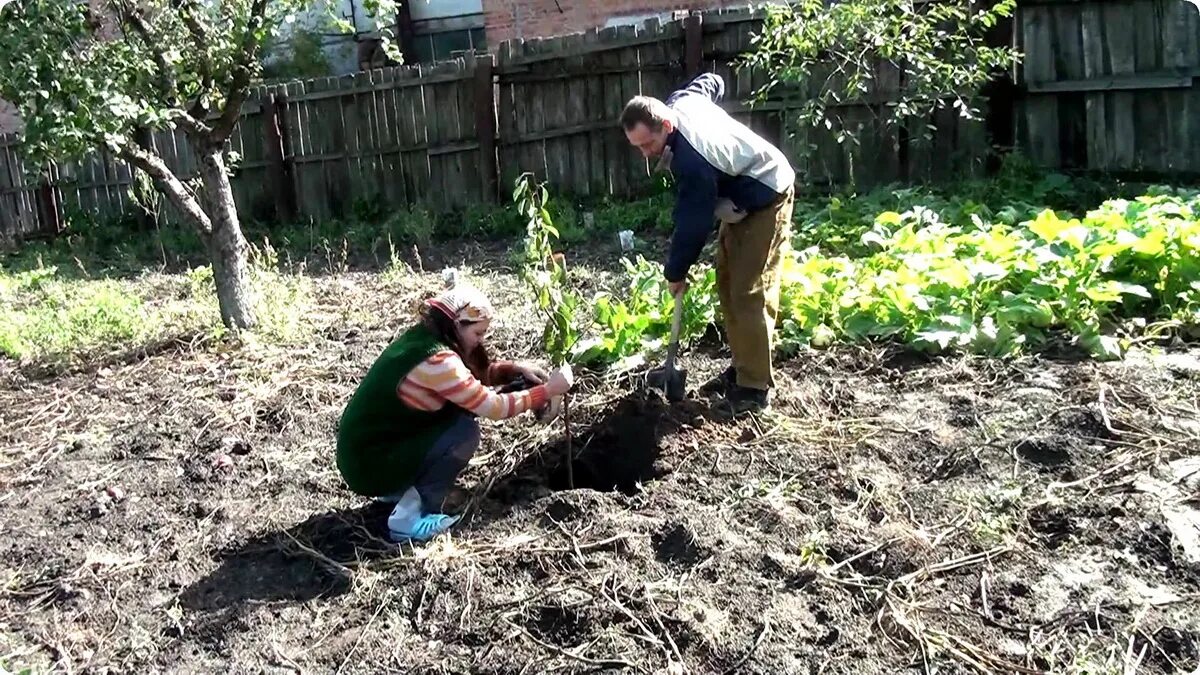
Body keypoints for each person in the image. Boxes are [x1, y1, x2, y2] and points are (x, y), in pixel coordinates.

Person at [336, 284, 573, 542]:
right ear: (457, 324)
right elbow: (492, 407)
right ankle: (407, 519)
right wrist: (548, 390)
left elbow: (470, 380)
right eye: (478, 333)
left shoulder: (424, 339)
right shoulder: (438, 361)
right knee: (463, 433)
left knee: (458, 414)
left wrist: (514, 369)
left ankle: (400, 489)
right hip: (369, 464)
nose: (481, 340)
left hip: (369, 450)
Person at [620, 73, 796, 413]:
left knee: (747, 288)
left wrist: (676, 271)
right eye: (637, 146)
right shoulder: (682, 102)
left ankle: (754, 389)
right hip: (740, 198)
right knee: (727, 282)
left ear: (666, 126)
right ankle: (745, 364)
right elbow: (711, 82)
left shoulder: (693, 163)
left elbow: (693, 222)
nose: (645, 153)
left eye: (647, 144)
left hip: (767, 192)